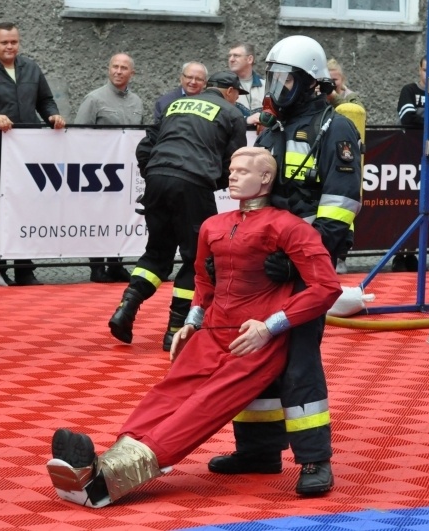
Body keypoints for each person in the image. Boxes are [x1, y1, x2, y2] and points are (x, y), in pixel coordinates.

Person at [47, 147, 342, 508]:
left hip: (254, 339)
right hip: (212, 331)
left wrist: (270, 327)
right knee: (166, 394)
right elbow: (204, 278)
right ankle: (104, 462)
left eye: (242, 171)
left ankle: (105, 481)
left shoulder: (288, 226)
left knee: (202, 406)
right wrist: (191, 322)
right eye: (231, 169)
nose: (231, 176)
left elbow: (326, 287)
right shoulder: (213, 225)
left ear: (266, 178)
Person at [208, 35, 362, 496]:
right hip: (264, 264)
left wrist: (296, 261)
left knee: (298, 362)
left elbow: (338, 210)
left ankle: (315, 460)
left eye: (285, 77)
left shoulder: (335, 130)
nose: (276, 85)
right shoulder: (273, 128)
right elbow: (257, 198)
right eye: (272, 75)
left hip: (305, 267)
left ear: (311, 84)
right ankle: (258, 451)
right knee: (251, 352)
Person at [108, 71, 248, 352]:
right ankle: (175, 330)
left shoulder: (176, 105)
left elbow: (144, 147)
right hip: (194, 184)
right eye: (237, 95)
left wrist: (155, 173)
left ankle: (127, 306)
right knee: (196, 258)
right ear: (230, 91)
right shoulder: (232, 115)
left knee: (157, 253)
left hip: (157, 178)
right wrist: (210, 180)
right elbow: (235, 162)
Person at [0, 21, 66, 287]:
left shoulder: (31, 68)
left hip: (28, 152)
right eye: (4, 42)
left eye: (14, 42)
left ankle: (25, 270)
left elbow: (45, 100)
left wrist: (52, 114)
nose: (9, 47)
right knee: (0, 210)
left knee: (28, 209)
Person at [74, 53, 142, 284]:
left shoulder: (137, 102)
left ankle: (116, 264)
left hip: (126, 172)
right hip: (97, 171)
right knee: (97, 216)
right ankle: (96, 266)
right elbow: (79, 134)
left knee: (120, 216)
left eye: (124, 68)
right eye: (115, 66)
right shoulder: (94, 99)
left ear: (132, 73)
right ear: (108, 69)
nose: (118, 71)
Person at [393, 55, 429, 272]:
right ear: (419, 70)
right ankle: (399, 255)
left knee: (428, 206)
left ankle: (413, 253)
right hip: (408, 157)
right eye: (425, 70)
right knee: (403, 206)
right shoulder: (409, 90)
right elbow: (407, 118)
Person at [326, 58, 363, 274]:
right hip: (325, 152)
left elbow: (356, 113)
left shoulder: (351, 97)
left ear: (343, 79)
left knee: (345, 207)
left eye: (335, 79)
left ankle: (342, 255)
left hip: (346, 154)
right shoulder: (317, 95)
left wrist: (333, 96)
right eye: (327, 80)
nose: (331, 83)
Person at [227, 43, 265, 126]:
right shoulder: (224, 87)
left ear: (250, 59)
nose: (231, 59)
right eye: (229, 56)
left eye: (236, 55)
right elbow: (221, 119)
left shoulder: (266, 87)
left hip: (262, 137)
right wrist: (246, 120)